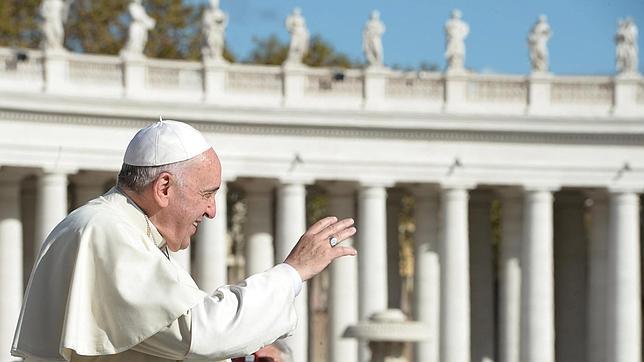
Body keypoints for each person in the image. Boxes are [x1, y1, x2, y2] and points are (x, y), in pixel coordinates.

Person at [11, 119, 357, 361]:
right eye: (207, 194)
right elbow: (200, 333)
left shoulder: (119, 228)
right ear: (163, 188)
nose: (211, 212)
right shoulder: (107, 230)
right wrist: (292, 272)